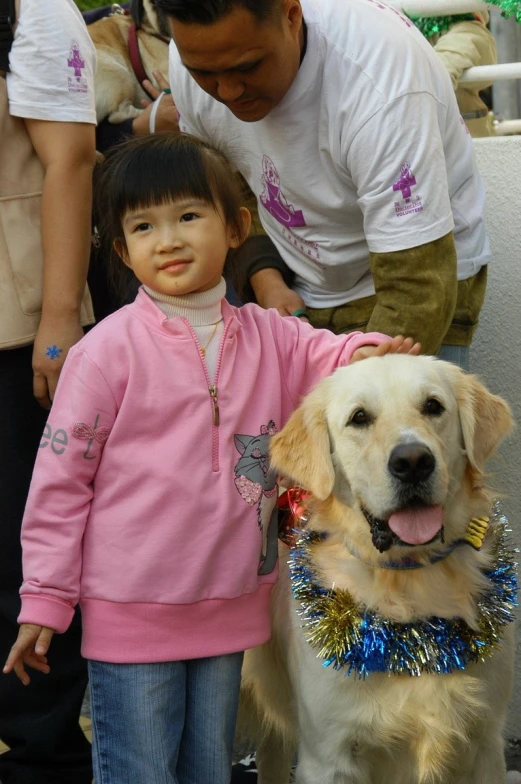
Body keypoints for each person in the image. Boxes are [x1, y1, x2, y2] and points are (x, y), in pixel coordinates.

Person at [3, 133, 420, 784]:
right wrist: (45, 599)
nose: (167, 238)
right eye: (144, 225)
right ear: (121, 250)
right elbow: (60, 484)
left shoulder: (268, 337)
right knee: (142, 773)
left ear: (235, 228)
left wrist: (366, 353)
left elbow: (323, 355)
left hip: (228, 611)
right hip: (131, 615)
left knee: (207, 771)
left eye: (188, 216)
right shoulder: (104, 354)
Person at [154, 0, 492, 371]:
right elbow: (232, 189)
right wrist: (266, 278)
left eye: (248, 66)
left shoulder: (381, 82)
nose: (229, 90)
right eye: (204, 73)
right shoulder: (191, 56)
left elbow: (418, 284)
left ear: (291, 14)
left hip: (421, 278)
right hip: (300, 289)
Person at [0, 1, 96, 782]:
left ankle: (46, 759)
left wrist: (58, 320)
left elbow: (69, 159)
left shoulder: (31, 11)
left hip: (15, 325)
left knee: (21, 557)